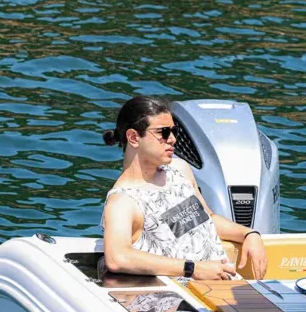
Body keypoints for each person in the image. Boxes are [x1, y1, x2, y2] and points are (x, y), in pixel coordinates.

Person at [100, 95, 268, 281]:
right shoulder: (123, 201)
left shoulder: (179, 171)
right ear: (133, 137)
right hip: (184, 296)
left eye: (174, 131)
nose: (172, 139)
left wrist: (249, 234)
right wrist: (193, 269)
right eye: (163, 133)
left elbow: (207, 219)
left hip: (225, 285)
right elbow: (118, 257)